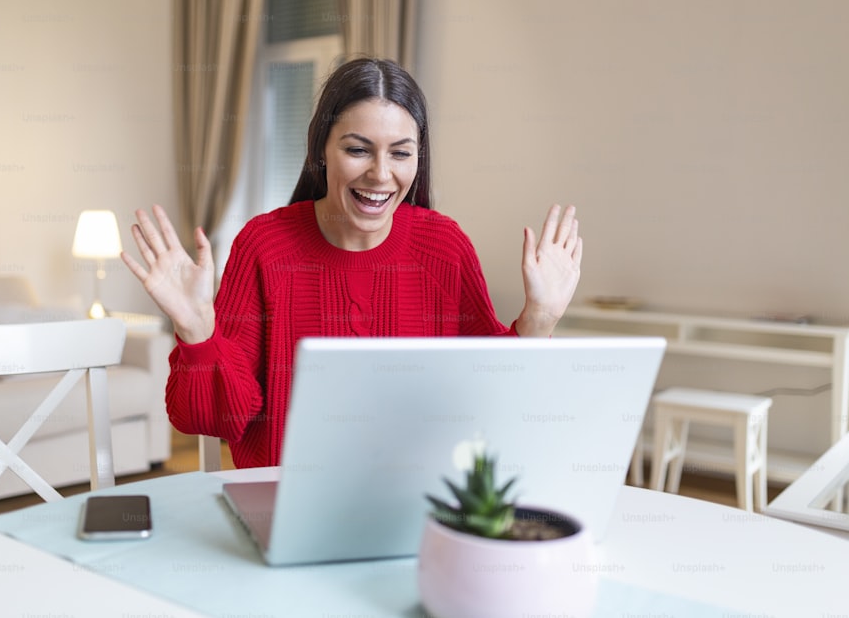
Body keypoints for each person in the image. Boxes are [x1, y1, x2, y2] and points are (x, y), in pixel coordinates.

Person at [121, 57, 582, 469]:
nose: (381, 174)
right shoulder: (264, 246)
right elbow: (213, 418)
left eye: (401, 153)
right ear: (321, 149)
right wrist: (198, 332)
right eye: (358, 149)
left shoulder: (444, 246)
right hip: (285, 504)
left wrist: (538, 321)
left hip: (417, 505)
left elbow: (486, 397)